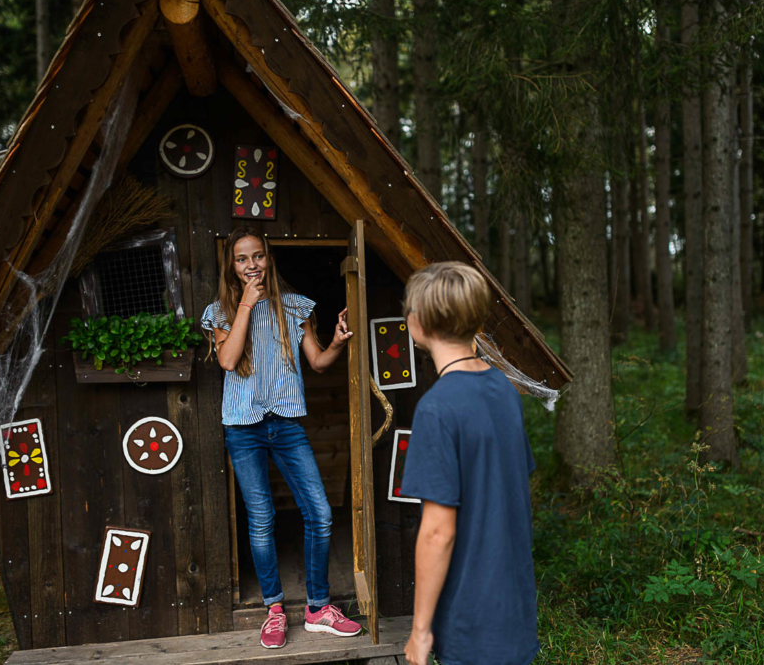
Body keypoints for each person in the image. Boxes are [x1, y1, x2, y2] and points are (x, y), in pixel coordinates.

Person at [202, 226, 363, 649]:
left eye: (258, 256)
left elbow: (319, 362)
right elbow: (229, 360)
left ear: (268, 259)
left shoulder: (295, 308)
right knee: (262, 520)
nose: (251, 264)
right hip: (243, 427)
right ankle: (274, 610)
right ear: (232, 267)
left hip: (286, 424)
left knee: (321, 513)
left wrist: (337, 342)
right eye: (242, 259)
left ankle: (317, 608)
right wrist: (246, 307)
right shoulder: (220, 311)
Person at [399, 262, 540, 665]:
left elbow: (437, 533)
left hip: (471, 621)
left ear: (418, 322)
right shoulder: (504, 388)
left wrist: (420, 631)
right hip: (514, 612)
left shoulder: (436, 409)